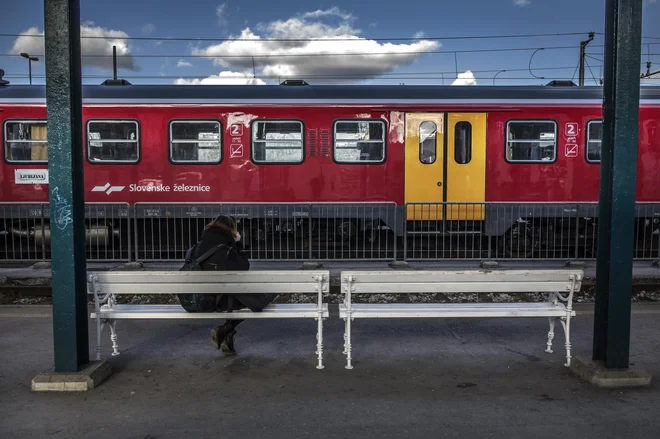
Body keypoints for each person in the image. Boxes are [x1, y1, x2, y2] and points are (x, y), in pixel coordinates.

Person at [189, 215, 276, 355]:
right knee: (256, 299)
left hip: (197, 299)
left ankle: (227, 339)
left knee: (235, 295)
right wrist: (238, 243)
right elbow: (244, 267)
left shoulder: (196, 248)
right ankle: (226, 329)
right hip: (218, 302)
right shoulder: (226, 249)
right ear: (231, 230)